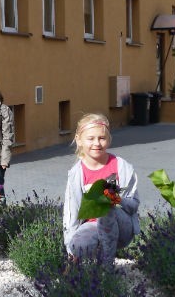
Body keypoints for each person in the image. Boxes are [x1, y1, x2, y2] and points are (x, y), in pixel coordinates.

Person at [62, 113, 139, 265]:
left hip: (122, 225)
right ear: (79, 140)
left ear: (108, 139)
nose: (96, 143)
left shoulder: (122, 166)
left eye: (101, 138)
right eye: (90, 138)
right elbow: (72, 211)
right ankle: (92, 264)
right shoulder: (77, 173)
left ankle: (107, 268)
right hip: (92, 225)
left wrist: (116, 199)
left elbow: (134, 205)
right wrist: (69, 248)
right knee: (78, 245)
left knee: (106, 209)